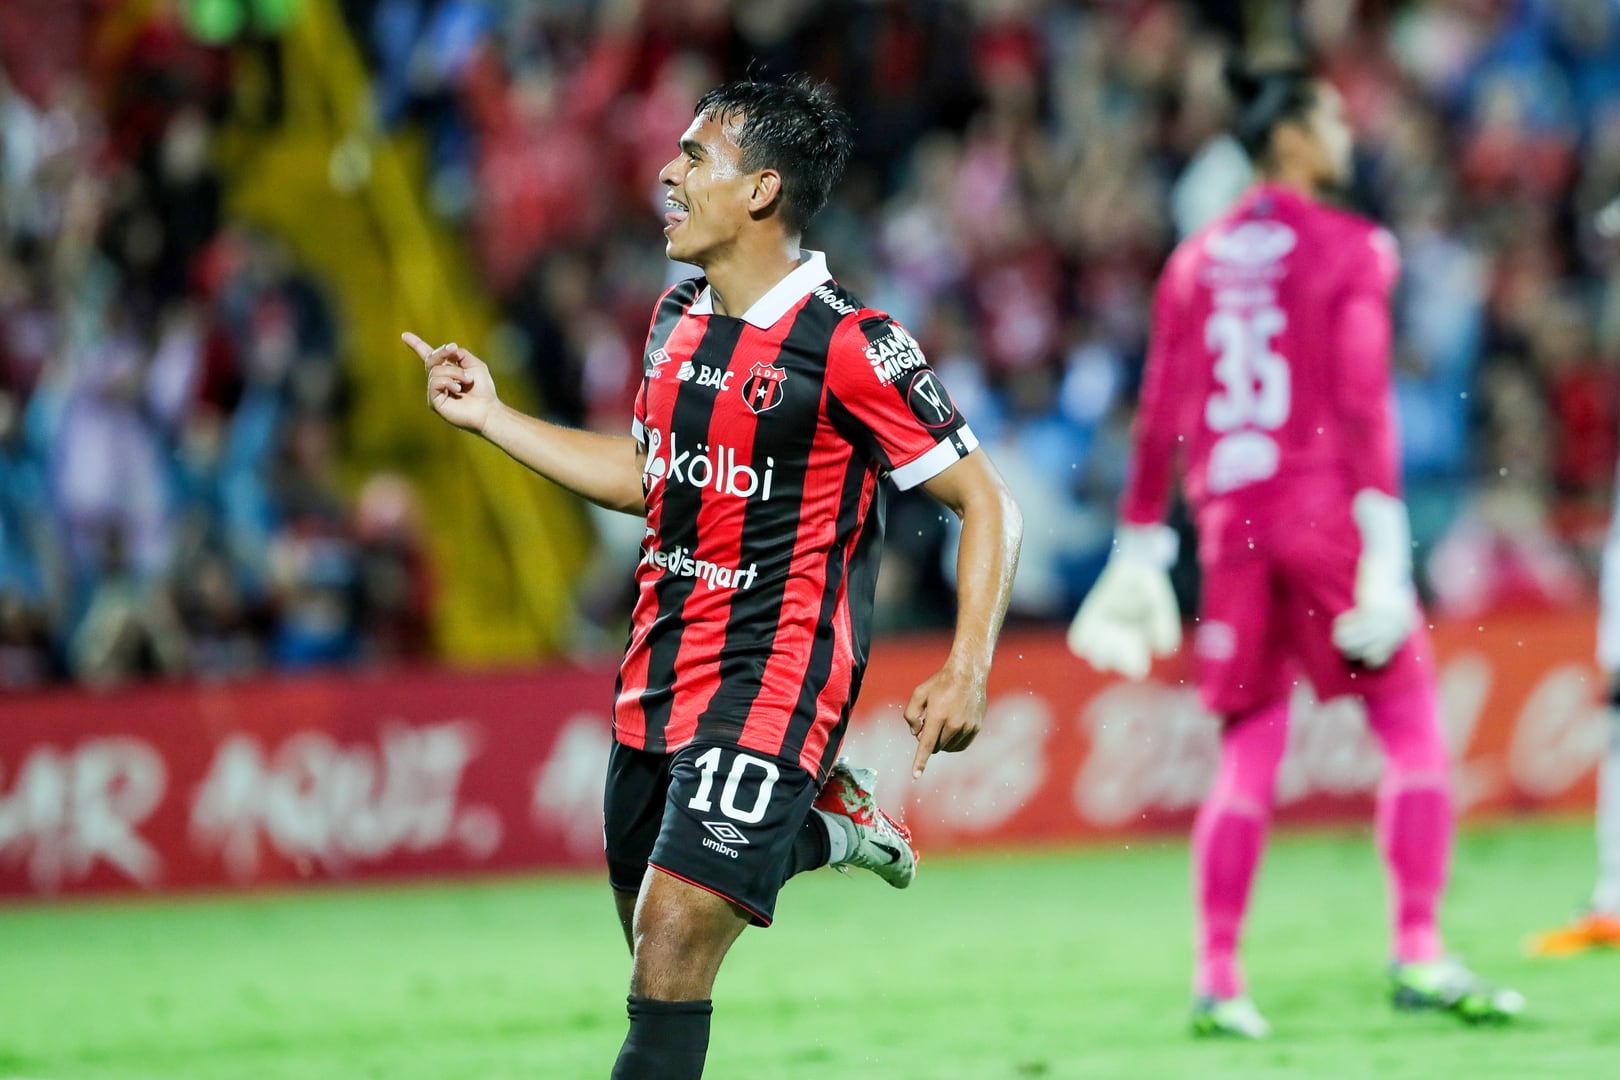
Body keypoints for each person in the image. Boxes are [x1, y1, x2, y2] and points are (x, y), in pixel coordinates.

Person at [403, 77, 1022, 1079]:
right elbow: (651, 480)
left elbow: (988, 501)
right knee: (652, 951)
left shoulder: (856, 346)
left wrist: (969, 667)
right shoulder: (677, 316)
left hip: (775, 681)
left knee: (672, 940)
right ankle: (825, 830)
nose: (666, 173)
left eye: (694, 158)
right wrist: (494, 418)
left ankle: (813, 816)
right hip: (656, 676)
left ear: (762, 191)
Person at [1066, 59, 1521, 1037]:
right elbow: (1362, 398)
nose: (1349, 135)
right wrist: (1388, 547)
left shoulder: (1194, 259)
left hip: (1227, 522)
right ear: (1291, 142)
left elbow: (1159, 414)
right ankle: (1419, 949)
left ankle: (1219, 979)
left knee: (1249, 749)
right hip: (1318, 511)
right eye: (1331, 120)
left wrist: (1141, 542)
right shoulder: (1351, 245)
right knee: (1407, 718)